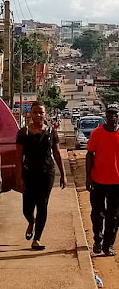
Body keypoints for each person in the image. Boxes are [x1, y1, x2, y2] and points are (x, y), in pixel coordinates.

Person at [15, 102, 67, 251]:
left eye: (41, 112)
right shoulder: (23, 133)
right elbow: (18, 157)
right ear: (30, 114)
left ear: (45, 115)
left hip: (46, 173)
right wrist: (18, 178)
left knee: (42, 205)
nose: (38, 115)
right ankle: (31, 222)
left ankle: (37, 239)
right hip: (28, 173)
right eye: (35, 112)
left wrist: (63, 174)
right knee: (27, 207)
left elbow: (56, 153)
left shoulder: (51, 132)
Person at [86, 104, 119, 256]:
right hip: (98, 181)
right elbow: (89, 155)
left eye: (115, 114)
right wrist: (88, 177)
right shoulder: (96, 133)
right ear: (105, 116)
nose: (112, 117)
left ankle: (108, 245)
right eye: (109, 114)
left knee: (114, 216)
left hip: (116, 182)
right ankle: (97, 241)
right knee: (97, 214)